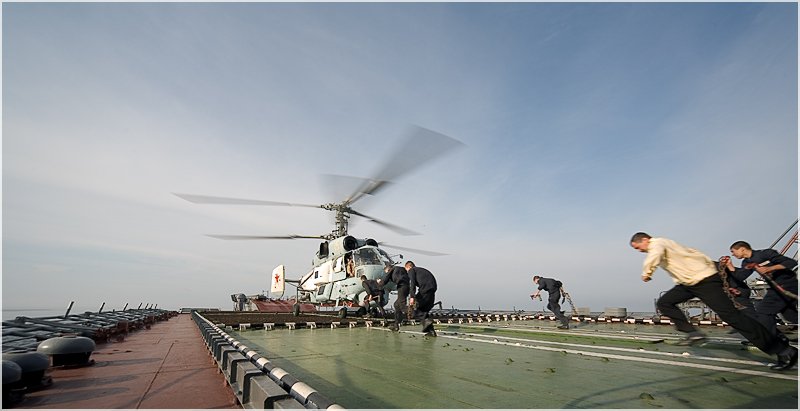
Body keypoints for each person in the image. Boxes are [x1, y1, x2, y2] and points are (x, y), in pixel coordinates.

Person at [630, 232, 797, 370]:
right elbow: (696, 254)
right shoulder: (667, 247)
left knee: (734, 318)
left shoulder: (658, 243)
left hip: (705, 281)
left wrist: (647, 272)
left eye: (638, 247)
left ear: (645, 240)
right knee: (664, 303)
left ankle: (784, 351)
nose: (639, 251)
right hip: (689, 283)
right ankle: (693, 333)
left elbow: (655, 255)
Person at [727, 241, 798, 335]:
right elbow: (741, 277)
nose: (732, 254)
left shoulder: (766, 253)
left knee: (763, 310)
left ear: (742, 249)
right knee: (790, 314)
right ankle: (777, 338)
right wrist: (730, 266)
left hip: (787, 285)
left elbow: (791, 262)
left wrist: (769, 268)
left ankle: (770, 339)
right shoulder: (747, 262)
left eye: (733, 251)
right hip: (776, 288)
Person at [405, 261, 438, 336]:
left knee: (415, 309)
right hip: (432, 290)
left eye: (406, 270)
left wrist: (412, 296)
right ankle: (431, 332)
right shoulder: (421, 270)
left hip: (425, 289)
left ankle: (427, 322)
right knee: (424, 311)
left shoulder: (411, 270)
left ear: (408, 267)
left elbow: (412, 284)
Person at [382, 263, 410, 332]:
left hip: (402, 287)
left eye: (386, 272)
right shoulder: (401, 269)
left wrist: (379, 283)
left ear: (388, 269)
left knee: (402, 306)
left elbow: (385, 281)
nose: (387, 273)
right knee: (396, 305)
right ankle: (396, 324)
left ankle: (421, 315)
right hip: (406, 287)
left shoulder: (392, 270)